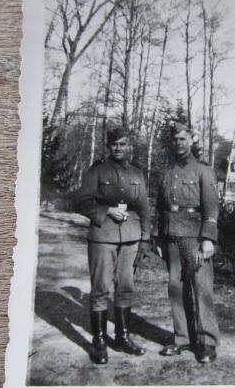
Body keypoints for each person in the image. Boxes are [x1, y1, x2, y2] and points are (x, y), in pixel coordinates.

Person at [77, 127, 151, 364]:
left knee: (126, 287)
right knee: (100, 288)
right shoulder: (97, 170)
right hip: (103, 235)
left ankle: (122, 337)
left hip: (131, 236)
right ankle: (99, 342)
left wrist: (146, 237)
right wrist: (106, 210)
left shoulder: (137, 173)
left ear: (129, 146)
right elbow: (81, 201)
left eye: (123, 144)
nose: (118, 148)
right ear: (108, 147)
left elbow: (144, 207)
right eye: (114, 145)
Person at [153, 122, 220, 364]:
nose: (179, 143)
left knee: (201, 289)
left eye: (183, 139)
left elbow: (212, 206)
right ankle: (182, 338)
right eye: (175, 140)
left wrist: (208, 238)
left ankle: (207, 342)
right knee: (175, 288)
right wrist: (158, 237)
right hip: (171, 236)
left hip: (195, 236)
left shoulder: (203, 170)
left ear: (191, 141)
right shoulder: (167, 171)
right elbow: (160, 206)